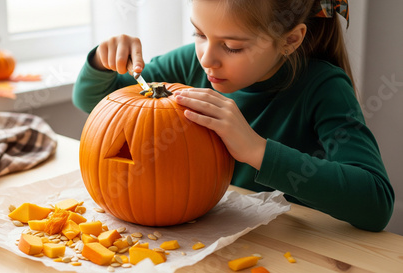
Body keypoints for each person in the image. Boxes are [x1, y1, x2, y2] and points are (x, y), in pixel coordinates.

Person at [72, 0, 394, 232]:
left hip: (288, 246)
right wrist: (102, 62)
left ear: (290, 41)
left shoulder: (323, 88)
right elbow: (101, 106)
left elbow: (375, 204)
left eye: (231, 46)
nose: (207, 59)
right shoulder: (189, 64)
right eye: (199, 34)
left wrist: (256, 149)